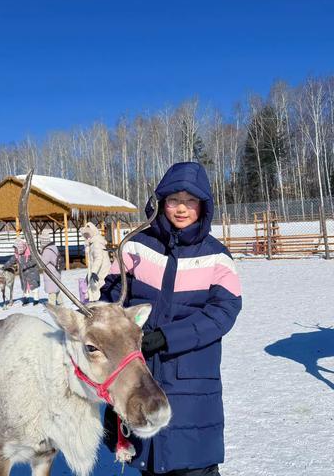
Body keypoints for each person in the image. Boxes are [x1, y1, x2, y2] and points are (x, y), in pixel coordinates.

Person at [100, 162, 242, 476]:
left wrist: (168, 337)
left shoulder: (217, 256)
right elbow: (112, 292)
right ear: (161, 202)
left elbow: (223, 312)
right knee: (150, 461)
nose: (181, 208)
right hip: (140, 368)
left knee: (194, 463)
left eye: (190, 201)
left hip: (191, 375)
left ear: (203, 206)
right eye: (173, 200)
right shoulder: (135, 245)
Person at [80, 222, 111, 302]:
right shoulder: (93, 244)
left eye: (88, 234)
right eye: (85, 235)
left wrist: (93, 272)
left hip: (100, 273)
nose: (87, 237)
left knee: (97, 291)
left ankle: (97, 307)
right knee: (96, 291)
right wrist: (89, 275)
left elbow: (98, 258)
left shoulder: (96, 243)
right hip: (98, 272)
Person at [4, 238, 40, 306]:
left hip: (32, 273)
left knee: (34, 288)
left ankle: (36, 300)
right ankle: (26, 299)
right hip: (23, 275)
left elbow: (35, 261)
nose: (15, 250)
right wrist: (4, 267)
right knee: (25, 287)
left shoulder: (30, 253)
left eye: (16, 249)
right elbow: (11, 261)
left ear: (21, 248)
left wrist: (26, 265)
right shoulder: (17, 255)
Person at [39, 229, 62, 306]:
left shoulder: (47, 251)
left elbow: (42, 263)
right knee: (57, 290)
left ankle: (52, 307)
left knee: (52, 293)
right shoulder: (53, 247)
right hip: (56, 273)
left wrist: (39, 254)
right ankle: (61, 305)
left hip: (51, 275)